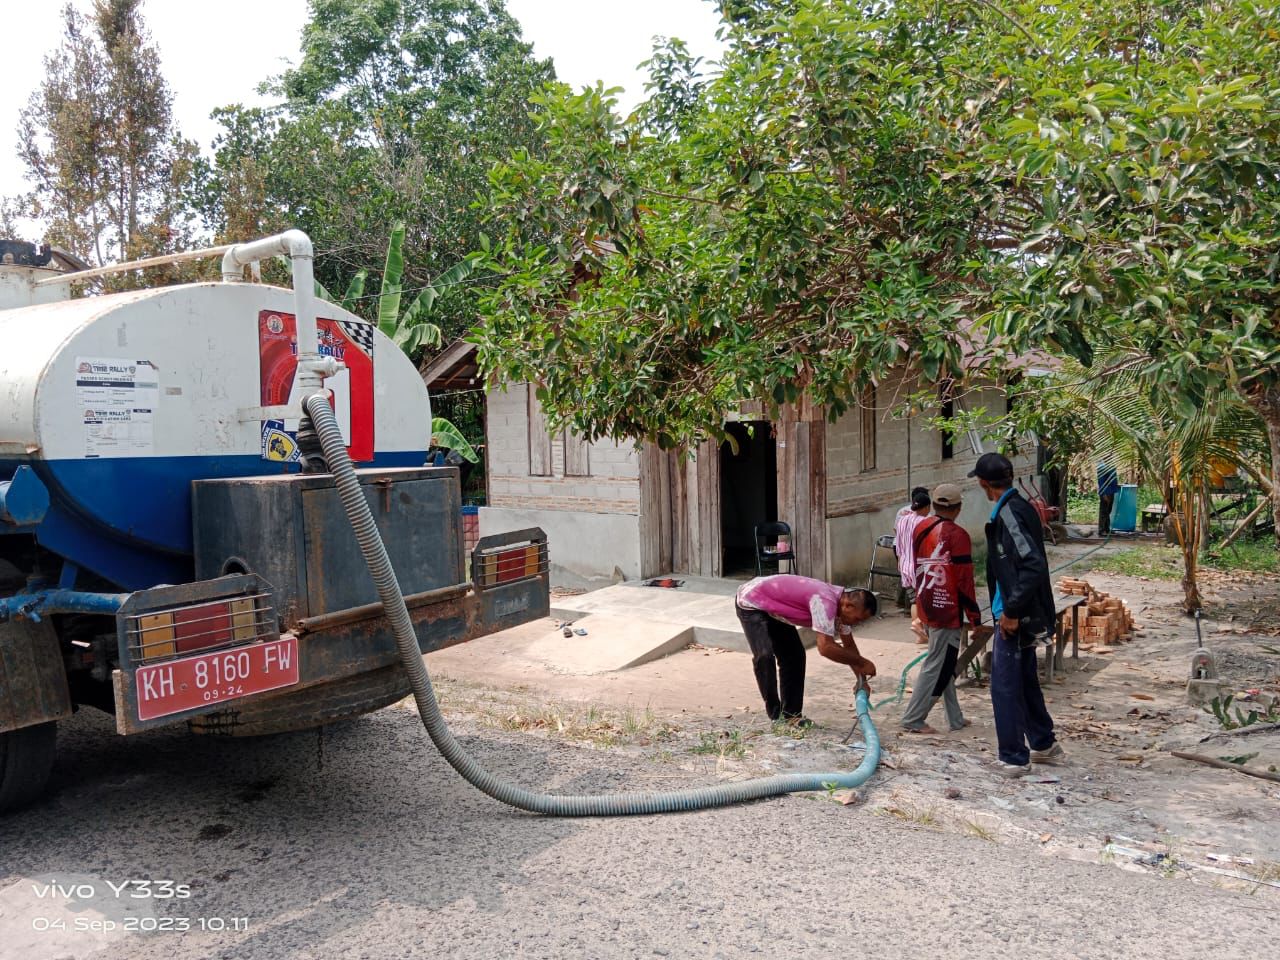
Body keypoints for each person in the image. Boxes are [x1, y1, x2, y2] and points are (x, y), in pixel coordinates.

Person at [969, 452, 1066, 775]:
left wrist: (1010, 611)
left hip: (1016, 616)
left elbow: (1032, 565)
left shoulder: (1009, 513)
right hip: (1023, 611)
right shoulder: (1019, 507)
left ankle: (1013, 757)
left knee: (1005, 685)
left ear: (984, 484)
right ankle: (1043, 743)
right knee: (1024, 680)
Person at [734, 575, 878, 723]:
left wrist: (862, 680)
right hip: (751, 600)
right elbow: (825, 647)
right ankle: (776, 716)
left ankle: (792, 716)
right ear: (848, 606)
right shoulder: (826, 601)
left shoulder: (841, 610)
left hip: (773, 607)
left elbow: (849, 646)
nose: (856, 623)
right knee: (764, 656)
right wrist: (862, 662)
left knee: (794, 656)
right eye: (857, 619)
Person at [899, 484, 981, 734]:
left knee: (943, 659)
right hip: (948, 608)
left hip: (926, 601)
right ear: (958, 508)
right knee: (938, 662)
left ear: (934, 505)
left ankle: (954, 718)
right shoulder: (959, 535)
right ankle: (913, 718)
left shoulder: (921, 527)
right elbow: (964, 580)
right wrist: (975, 618)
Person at [894, 487, 932, 643]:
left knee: (913, 601)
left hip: (904, 565)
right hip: (919, 567)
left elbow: (898, 545)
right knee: (923, 600)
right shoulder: (925, 522)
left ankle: (919, 635)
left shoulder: (902, 520)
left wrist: (899, 561)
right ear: (927, 507)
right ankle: (921, 627)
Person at [1097, 461, 1120, 537]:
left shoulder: (1111, 464)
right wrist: (1104, 494)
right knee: (1104, 511)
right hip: (1105, 492)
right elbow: (1101, 481)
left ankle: (1107, 528)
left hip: (1111, 491)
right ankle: (1101, 530)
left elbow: (1113, 477)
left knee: (1108, 511)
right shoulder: (1101, 466)